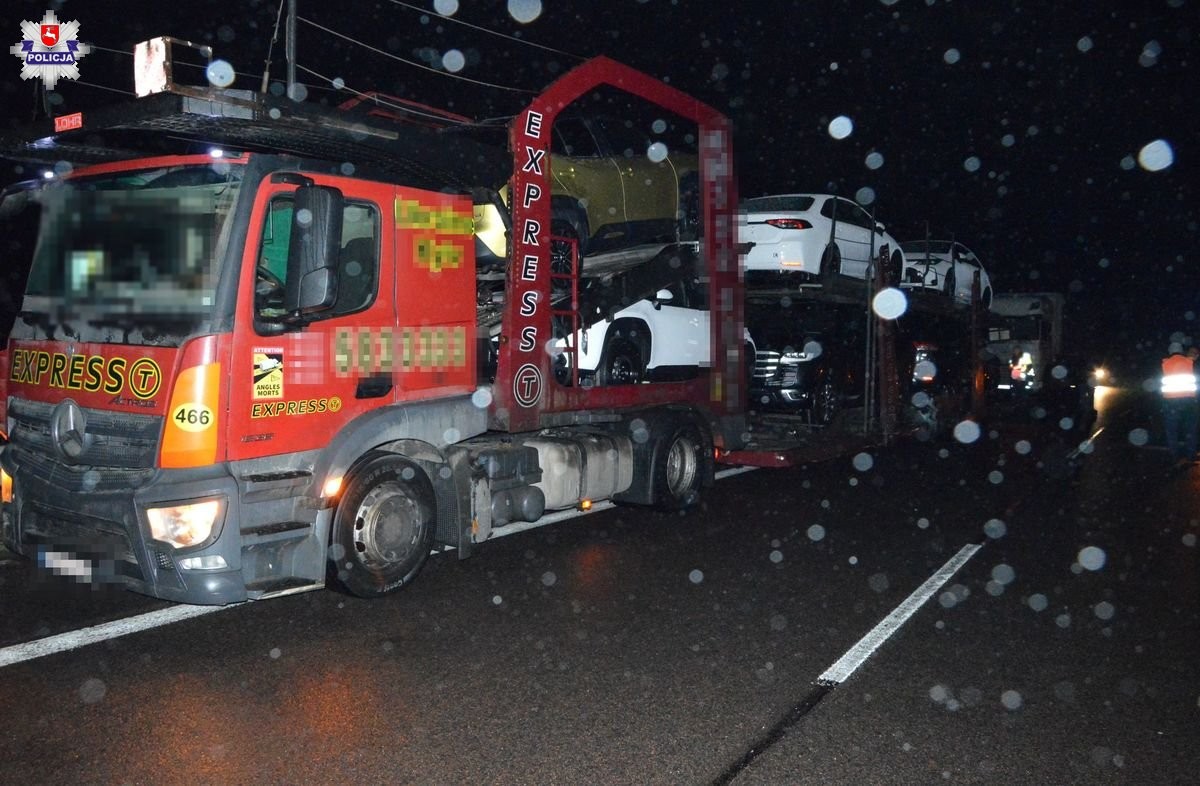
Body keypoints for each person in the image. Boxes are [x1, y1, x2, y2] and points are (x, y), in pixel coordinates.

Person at [1160, 342, 1198, 468]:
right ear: (1181, 351)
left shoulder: (1164, 363)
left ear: (1170, 351)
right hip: (1188, 401)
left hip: (1171, 402)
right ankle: (1191, 455)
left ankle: (1174, 457)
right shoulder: (1189, 361)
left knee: (1172, 431)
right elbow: (1194, 355)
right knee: (1190, 429)